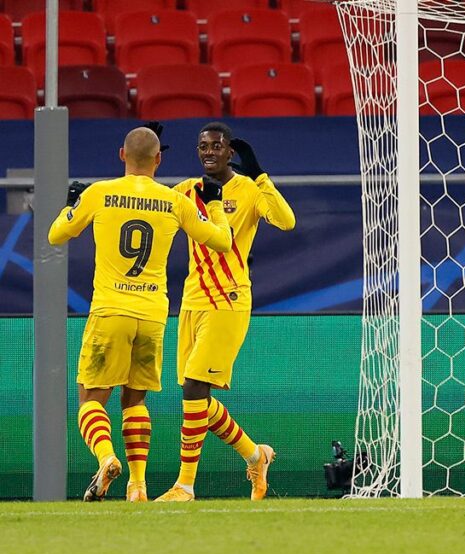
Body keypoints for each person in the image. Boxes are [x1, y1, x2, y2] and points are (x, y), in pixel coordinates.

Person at [48, 127, 232, 502]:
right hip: (151, 314)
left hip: (110, 310)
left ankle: (106, 457)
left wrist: (71, 203)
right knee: (135, 402)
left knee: (91, 399)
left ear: (121, 155)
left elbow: (56, 234)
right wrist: (214, 203)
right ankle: (137, 486)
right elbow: (222, 242)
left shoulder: (99, 193)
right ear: (158, 160)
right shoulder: (174, 201)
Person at [155, 122, 296, 502]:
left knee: (197, 388)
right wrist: (147, 163)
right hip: (191, 300)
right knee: (192, 392)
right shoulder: (185, 190)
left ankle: (184, 485)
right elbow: (153, 212)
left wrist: (259, 172)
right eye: (203, 147)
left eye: (216, 146)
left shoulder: (247, 190)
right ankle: (256, 454)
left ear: (230, 150)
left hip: (229, 300)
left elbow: (286, 221)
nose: (209, 152)